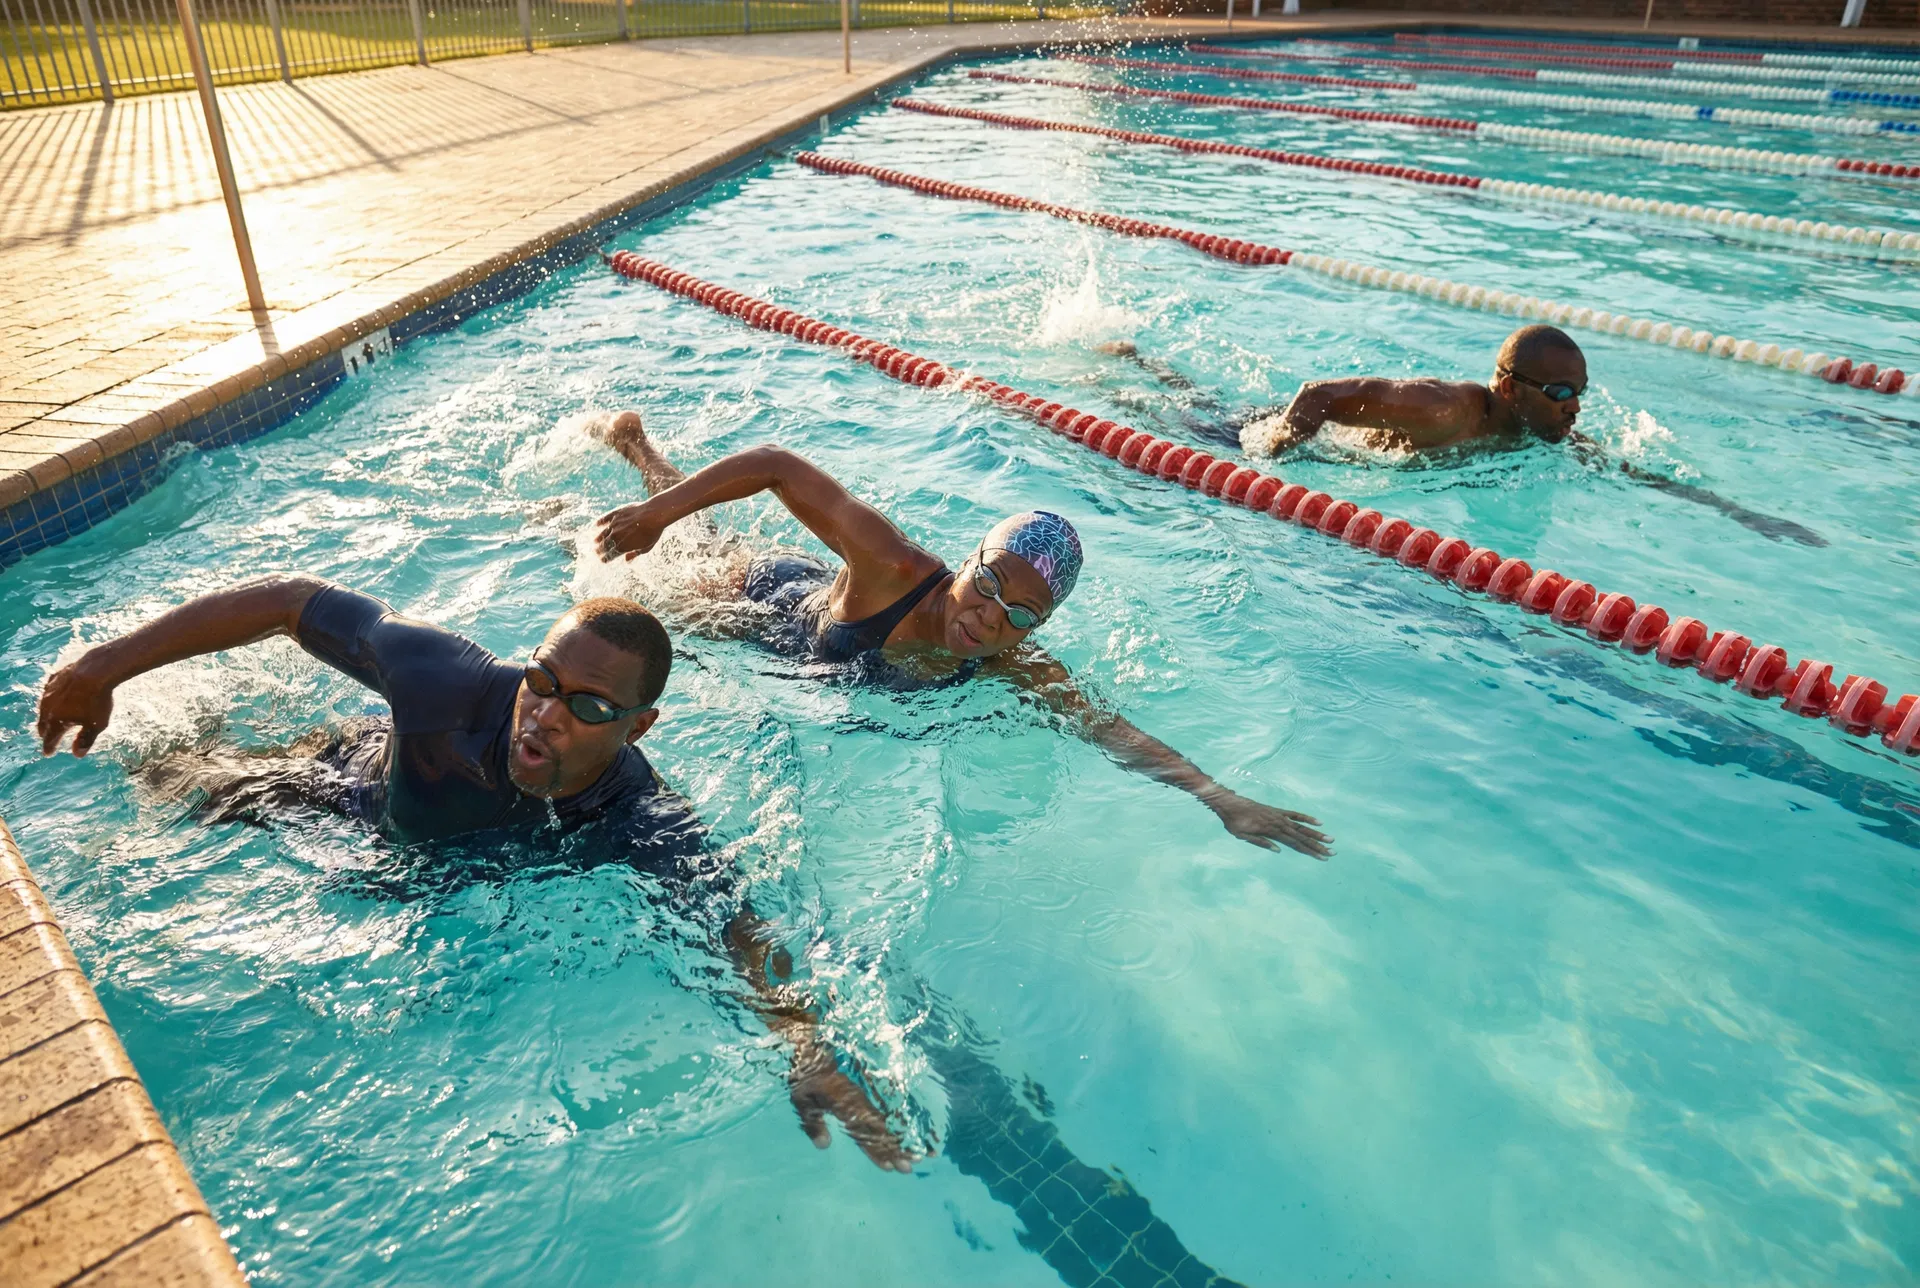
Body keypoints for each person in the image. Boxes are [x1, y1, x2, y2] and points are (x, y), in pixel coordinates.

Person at [34, 575, 916, 1171]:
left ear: (636, 729)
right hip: (338, 800)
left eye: (591, 706)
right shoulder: (440, 682)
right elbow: (291, 602)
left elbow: (734, 926)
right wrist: (103, 666)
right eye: (542, 679)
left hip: (441, 876)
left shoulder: (637, 817)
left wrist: (801, 1044)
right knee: (171, 783)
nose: (546, 714)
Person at [589, 412, 1331, 860]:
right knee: (663, 572)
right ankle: (635, 462)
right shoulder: (890, 563)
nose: (989, 615)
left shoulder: (1015, 664)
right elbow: (776, 467)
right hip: (779, 611)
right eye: (990, 583)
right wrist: (658, 516)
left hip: (827, 671)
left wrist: (1220, 798)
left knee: (695, 545)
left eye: (1020, 613)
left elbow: (1108, 729)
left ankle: (643, 460)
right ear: (970, 559)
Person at [1105, 327, 1823, 547]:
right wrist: (1273, 452)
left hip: (1337, 451)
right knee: (1176, 408)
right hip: (1267, 439)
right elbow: (1317, 396)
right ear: (1511, 388)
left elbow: (1630, 472)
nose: (1575, 410)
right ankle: (1123, 361)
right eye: (1562, 394)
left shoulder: (1544, 432)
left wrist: (1738, 514)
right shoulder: (1446, 409)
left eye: (1581, 394)